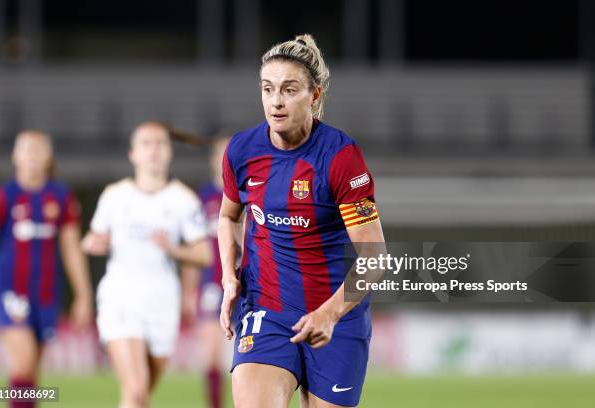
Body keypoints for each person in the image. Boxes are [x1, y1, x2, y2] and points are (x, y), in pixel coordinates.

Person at [218, 34, 386, 408]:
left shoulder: (341, 157)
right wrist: (230, 278)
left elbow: (374, 256)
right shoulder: (242, 151)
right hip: (266, 309)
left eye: (289, 90)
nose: (276, 101)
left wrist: (328, 314)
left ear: (315, 95)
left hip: (335, 318)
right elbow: (228, 217)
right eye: (267, 89)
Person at [81, 121, 212, 408]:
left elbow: (204, 255)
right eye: (146, 143)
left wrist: (173, 249)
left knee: (139, 397)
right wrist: (92, 244)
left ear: (169, 152)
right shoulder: (115, 196)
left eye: (160, 143)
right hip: (121, 299)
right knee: (137, 389)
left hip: (162, 302)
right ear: (133, 154)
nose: (153, 150)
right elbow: (91, 238)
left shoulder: (183, 200)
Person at [0, 130, 93, 408]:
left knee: (31, 373)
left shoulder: (61, 197)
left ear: (48, 157)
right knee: (23, 362)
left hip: (45, 293)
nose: (32, 155)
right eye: (26, 149)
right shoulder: (2, 196)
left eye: (38, 149)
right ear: (15, 156)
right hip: (9, 290)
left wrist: (83, 294)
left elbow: (71, 249)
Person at [183, 135, 239, 408]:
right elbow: (194, 250)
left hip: (245, 284)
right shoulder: (202, 198)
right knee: (212, 354)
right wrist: (188, 290)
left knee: (245, 356)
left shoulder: (251, 195)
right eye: (220, 153)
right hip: (209, 284)